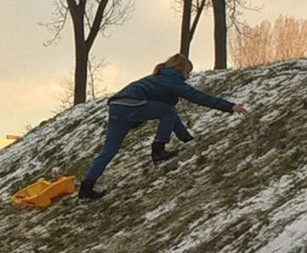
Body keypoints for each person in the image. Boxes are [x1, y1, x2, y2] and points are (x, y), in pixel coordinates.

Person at [79, 53, 247, 200]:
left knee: (110, 149)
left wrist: (187, 140)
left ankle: (86, 187)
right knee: (166, 110)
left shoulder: (157, 77)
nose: (188, 77)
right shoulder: (172, 79)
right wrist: (229, 106)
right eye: (188, 72)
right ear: (182, 69)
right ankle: (158, 149)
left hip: (116, 106)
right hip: (132, 104)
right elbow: (198, 97)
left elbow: (172, 117)